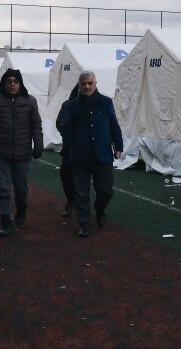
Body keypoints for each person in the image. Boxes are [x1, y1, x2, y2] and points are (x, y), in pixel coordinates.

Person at [0, 68, 43, 237]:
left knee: (21, 189)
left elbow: (36, 125)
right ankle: (5, 220)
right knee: (3, 189)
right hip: (2, 152)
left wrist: (38, 145)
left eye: (16, 81)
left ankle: (21, 207)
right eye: (9, 81)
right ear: (4, 83)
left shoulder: (30, 101)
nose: (12, 84)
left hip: (23, 153)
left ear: (21, 83)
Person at [60, 70, 123, 238]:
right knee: (81, 193)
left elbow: (114, 126)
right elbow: (65, 128)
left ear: (95, 83)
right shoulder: (72, 106)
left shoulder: (106, 102)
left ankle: (100, 209)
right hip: (80, 156)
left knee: (105, 191)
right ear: (79, 85)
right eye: (83, 84)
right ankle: (84, 224)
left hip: (102, 155)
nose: (87, 86)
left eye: (90, 83)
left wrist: (119, 146)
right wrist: (74, 143)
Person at [54, 84, 80, 217]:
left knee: (83, 178)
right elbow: (59, 123)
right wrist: (69, 136)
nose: (86, 87)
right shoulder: (67, 105)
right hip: (69, 148)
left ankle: (81, 205)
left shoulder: (96, 104)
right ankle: (71, 200)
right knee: (66, 175)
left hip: (87, 150)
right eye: (83, 85)